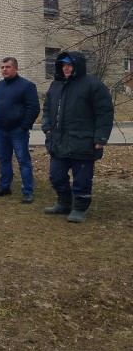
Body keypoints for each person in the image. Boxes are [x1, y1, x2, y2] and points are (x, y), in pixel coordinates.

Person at [41, 52, 113, 223]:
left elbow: (104, 113)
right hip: (58, 142)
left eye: (69, 64)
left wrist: (100, 138)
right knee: (56, 175)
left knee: (82, 178)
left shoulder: (93, 85)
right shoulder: (55, 85)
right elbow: (47, 107)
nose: (65, 68)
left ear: (77, 65)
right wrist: (46, 127)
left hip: (83, 142)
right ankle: (64, 203)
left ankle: (79, 208)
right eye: (62, 65)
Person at [0, 57, 40, 203]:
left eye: (8, 67)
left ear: (16, 68)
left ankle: (27, 190)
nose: (4, 69)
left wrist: (24, 125)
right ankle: (4, 186)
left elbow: (33, 107)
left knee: (23, 160)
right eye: (2, 67)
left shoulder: (27, 86)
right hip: (2, 130)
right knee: (4, 159)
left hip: (18, 130)